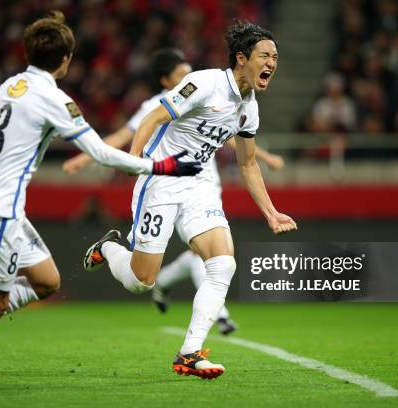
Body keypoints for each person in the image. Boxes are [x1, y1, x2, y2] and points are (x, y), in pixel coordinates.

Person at [0, 11, 201, 398]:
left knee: (46, 280)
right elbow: (103, 154)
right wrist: (162, 165)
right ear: (67, 59)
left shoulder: (10, 85)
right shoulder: (54, 100)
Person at [84, 21, 297, 380]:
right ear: (242, 58)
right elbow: (153, 117)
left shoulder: (250, 108)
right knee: (142, 281)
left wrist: (271, 212)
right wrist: (139, 163)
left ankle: (189, 353)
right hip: (162, 181)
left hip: (198, 184)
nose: (271, 62)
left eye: (275, 57)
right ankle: (109, 249)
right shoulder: (204, 83)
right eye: (265, 55)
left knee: (223, 263)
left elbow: (247, 163)